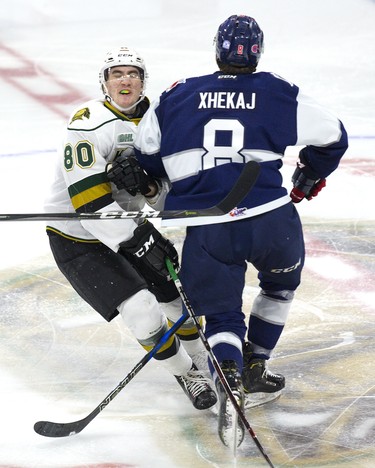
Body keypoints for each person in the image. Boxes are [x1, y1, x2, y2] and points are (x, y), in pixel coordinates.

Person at [107, 16, 348, 447]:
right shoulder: (278, 91)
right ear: (257, 52)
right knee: (279, 288)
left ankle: (231, 374)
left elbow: (147, 158)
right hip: (272, 220)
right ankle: (256, 362)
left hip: (208, 226)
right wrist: (309, 175)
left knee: (221, 316)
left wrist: (137, 175)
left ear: (217, 49)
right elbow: (334, 136)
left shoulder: (177, 96)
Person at [43, 46, 217, 411]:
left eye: (133, 73)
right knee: (142, 309)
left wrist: (150, 187)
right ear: (105, 83)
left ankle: (206, 357)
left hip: (128, 226)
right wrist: (137, 240)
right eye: (116, 73)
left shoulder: (157, 123)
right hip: (78, 237)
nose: (126, 79)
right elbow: (89, 206)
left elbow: (166, 196)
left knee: (177, 297)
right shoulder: (87, 125)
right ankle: (187, 373)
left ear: (142, 81)